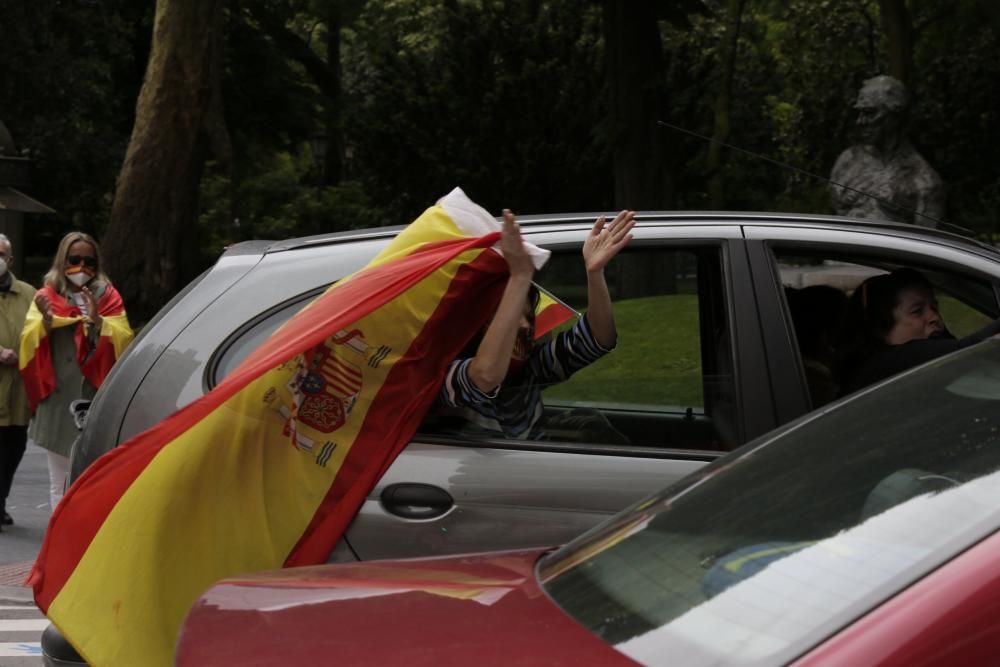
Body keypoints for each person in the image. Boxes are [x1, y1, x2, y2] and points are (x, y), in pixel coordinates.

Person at [433, 208, 634, 441]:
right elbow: (484, 377)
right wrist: (520, 276)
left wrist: (594, 272)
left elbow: (598, 339)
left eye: (529, 317)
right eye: (508, 315)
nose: (524, 326)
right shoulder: (445, 375)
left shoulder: (530, 370)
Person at [20, 231, 133, 510]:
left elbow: (124, 338)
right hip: (58, 400)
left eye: (88, 260)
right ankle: (60, 546)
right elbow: (28, 341)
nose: (81, 266)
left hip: (93, 399)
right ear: (62, 260)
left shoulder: (108, 295)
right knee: (58, 480)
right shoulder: (46, 295)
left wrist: (97, 321)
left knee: (91, 478)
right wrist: (46, 321)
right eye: (74, 259)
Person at [835, 268, 1000, 395]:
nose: (934, 317)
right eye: (917, 311)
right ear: (880, 328)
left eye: (934, 307)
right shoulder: (891, 362)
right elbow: (973, 348)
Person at [830, 75, 945, 227]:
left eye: (870, 113)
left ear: (895, 116)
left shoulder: (923, 180)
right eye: (859, 113)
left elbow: (926, 244)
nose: (860, 121)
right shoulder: (847, 161)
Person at [0, 234, 35, 531]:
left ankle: (1, 499)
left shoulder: (28, 293)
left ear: (10, 260)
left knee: (13, 448)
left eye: (1, 254)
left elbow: (39, 334)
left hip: (18, 390)